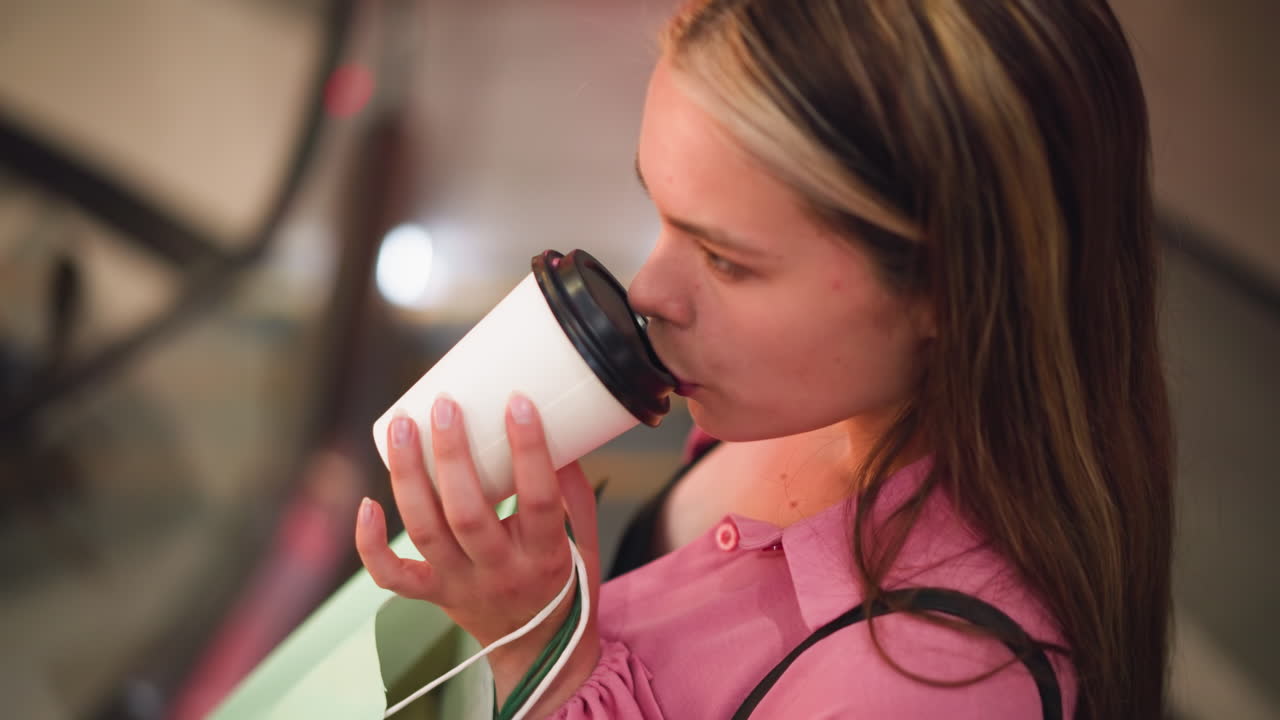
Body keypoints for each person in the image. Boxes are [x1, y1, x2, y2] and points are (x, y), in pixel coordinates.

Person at [354, 0, 1174, 718]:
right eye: (664, 216)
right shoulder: (809, 395)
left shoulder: (933, 683)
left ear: (948, 288)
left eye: (726, 260)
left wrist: (544, 660)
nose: (646, 292)